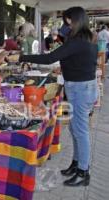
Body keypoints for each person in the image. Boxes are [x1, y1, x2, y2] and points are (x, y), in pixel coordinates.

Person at [8, 7, 98, 187]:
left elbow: (50, 58)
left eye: (67, 21)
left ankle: (83, 172)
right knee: (75, 129)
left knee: (80, 131)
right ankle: (76, 164)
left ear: (74, 20)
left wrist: (20, 57)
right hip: (79, 87)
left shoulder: (78, 41)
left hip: (81, 89)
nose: (65, 25)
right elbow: (76, 61)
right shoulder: (83, 39)